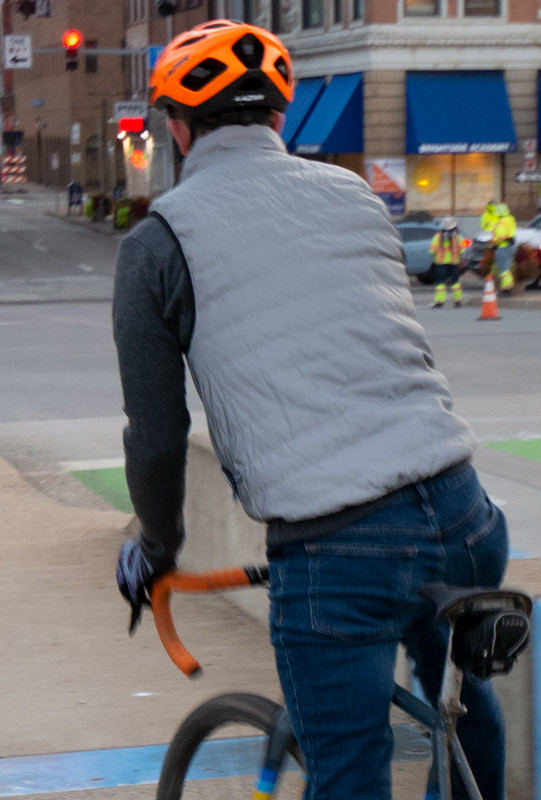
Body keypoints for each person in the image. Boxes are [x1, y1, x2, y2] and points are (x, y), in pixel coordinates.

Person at [113, 20, 508, 800]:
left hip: (336, 547)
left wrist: (157, 544)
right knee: (463, 713)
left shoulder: (157, 244)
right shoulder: (355, 195)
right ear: (279, 119)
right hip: (464, 514)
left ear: (178, 130)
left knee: (348, 774)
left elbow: (157, 437)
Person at [429, 216, 464, 308]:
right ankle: (458, 301)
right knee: (455, 282)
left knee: (441, 283)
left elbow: (432, 249)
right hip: (454, 262)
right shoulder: (458, 236)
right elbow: (463, 248)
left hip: (441, 262)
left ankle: (440, 301)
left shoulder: (438, 236)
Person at [491, 202, 517, 293]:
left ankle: (508, 288)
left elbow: (501, 236)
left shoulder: (502, 222)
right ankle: (506, 287)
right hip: (511, 245)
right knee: (507, 268)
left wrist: (494, 243)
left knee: (503, 269)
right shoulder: (510, 219)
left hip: (502, 246)